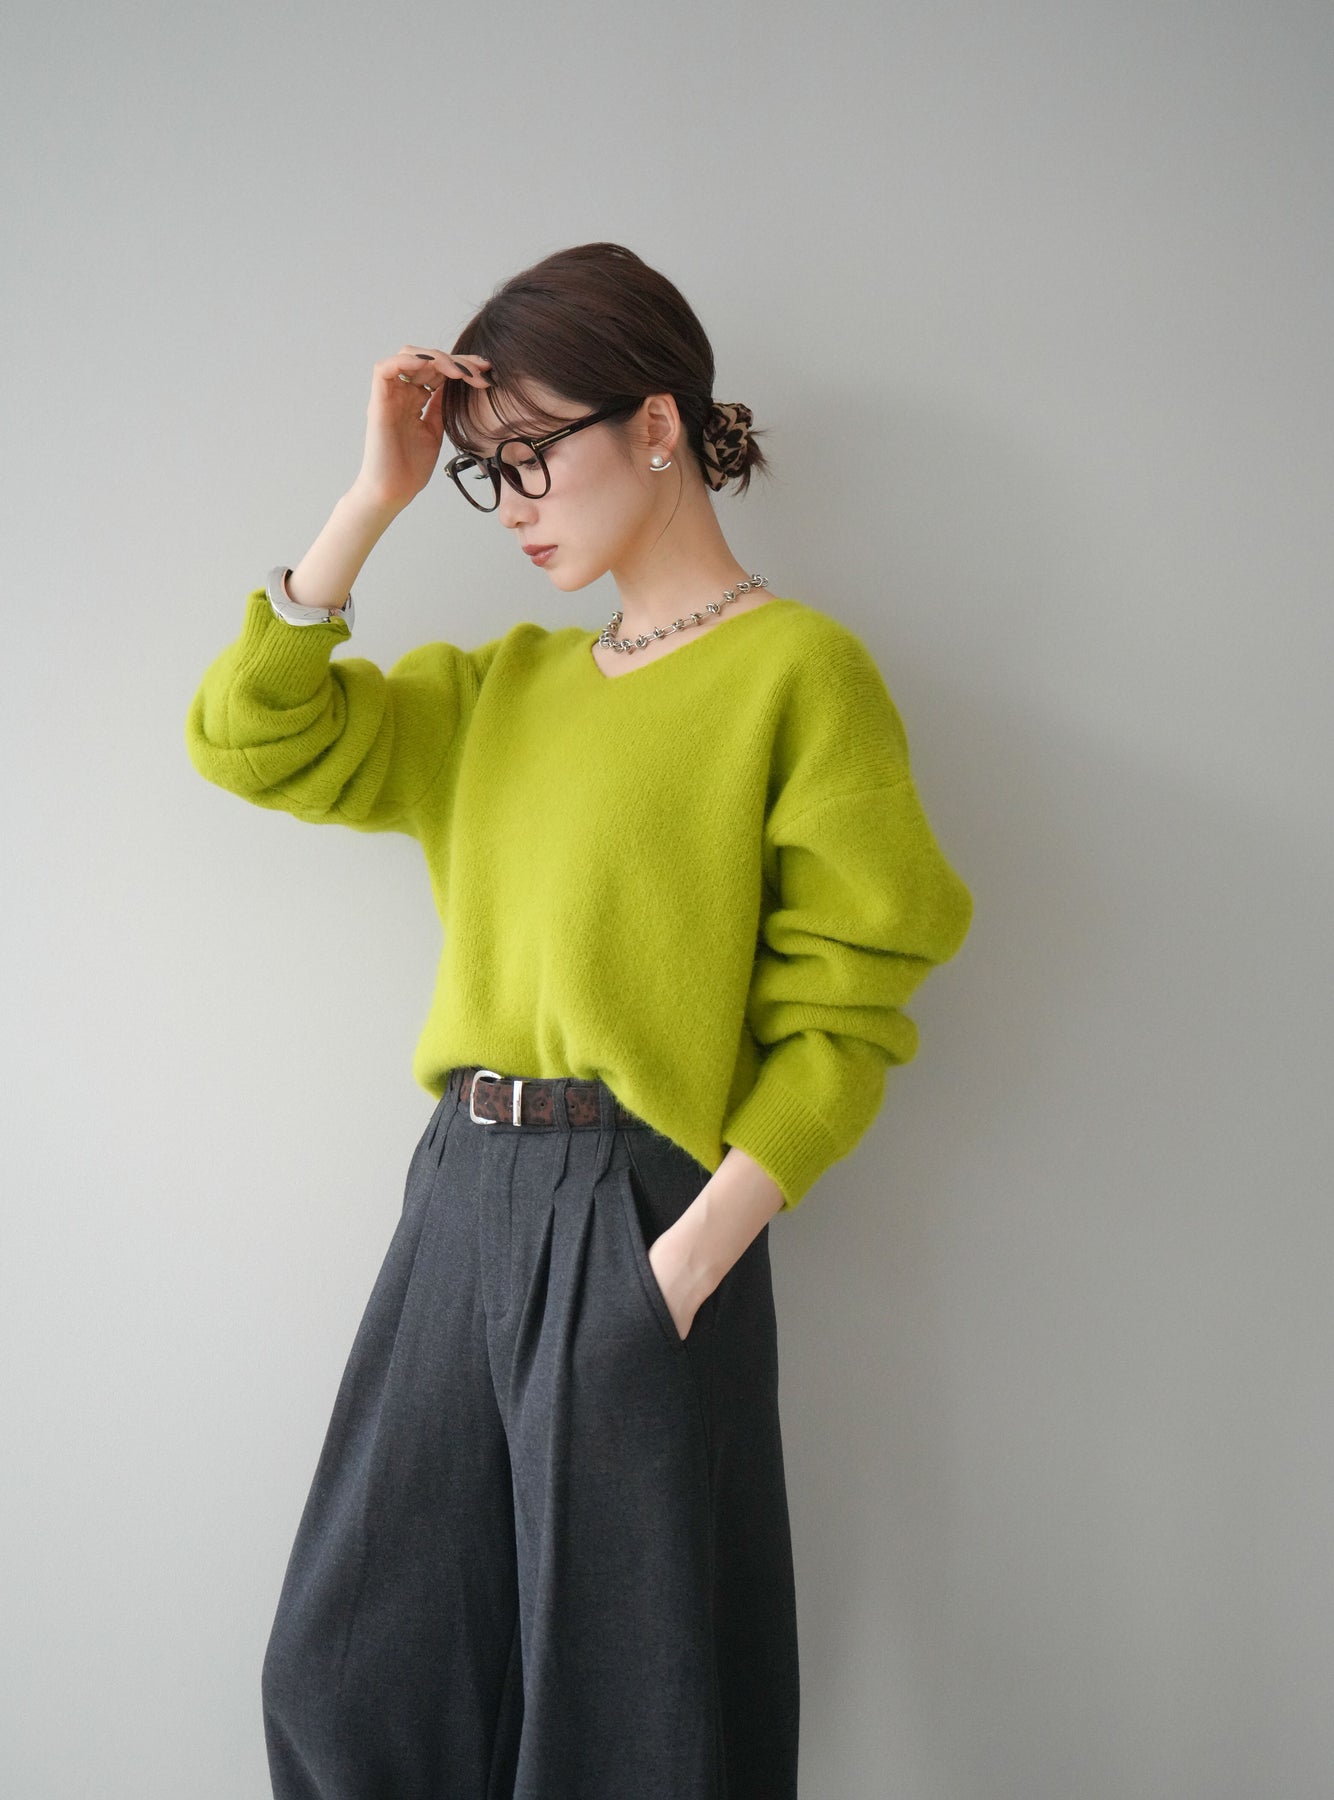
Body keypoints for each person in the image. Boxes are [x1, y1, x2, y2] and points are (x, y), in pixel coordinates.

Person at [184, 240, 975, 1799]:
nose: (514, 502)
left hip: (642, 1198)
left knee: (630, 1697)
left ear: (657, 423)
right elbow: (251, 742)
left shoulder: (797, 674)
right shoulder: (501, 691)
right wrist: (373, 500)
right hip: (459, 1197)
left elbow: (849, 1006)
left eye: (533, 453)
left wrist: (680, 1261)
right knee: (347, 1670)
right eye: (488, 471)